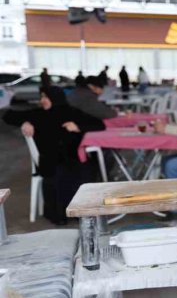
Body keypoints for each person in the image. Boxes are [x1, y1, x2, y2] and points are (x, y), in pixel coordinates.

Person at [3, 86, 104, 224]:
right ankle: (60, 214)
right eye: (42, 97)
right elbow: (8, 116)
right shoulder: (37, 114)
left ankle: (79, 212)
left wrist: (78, 127)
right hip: (49, 160)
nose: (42, 100)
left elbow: (99, 124)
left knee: (85, 170)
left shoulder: (71, 112)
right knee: (59, 172)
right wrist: (25, 121)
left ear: (56, 98)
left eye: (46, 97)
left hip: (72, 157)